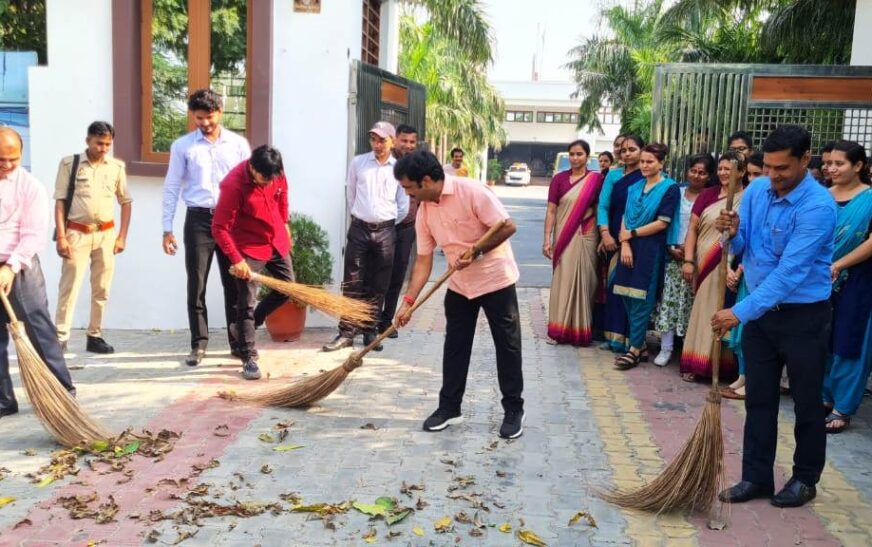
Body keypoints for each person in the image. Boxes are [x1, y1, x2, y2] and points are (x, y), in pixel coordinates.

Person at [715, 125, 837, 508]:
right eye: (767, 166)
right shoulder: (755, 191)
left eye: (782, 168)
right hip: (761, 317)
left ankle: (804, 479)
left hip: (804, 317)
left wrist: (738, 311)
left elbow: (790, 273)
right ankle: (756, 477)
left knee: (805, 401)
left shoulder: (818, 207)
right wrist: (731, 233)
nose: (773, 175)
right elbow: (742, 245)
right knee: (759, 400)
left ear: (805, 159)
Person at [393, 150, 525, 438]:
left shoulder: (472, 191)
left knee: (508, 346)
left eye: (408, 188)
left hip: (495, 280)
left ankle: (514, 409)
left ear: (426, 181)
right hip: (459, 285)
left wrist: (477, 250)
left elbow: (507, 226)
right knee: (455, 346)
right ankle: (449, 408)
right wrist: (408, 303)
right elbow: (424, 261)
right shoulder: (425, 211)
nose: (407, 194)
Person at [162, 89, 251, 366]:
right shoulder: (183, 146)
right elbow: (172, 186)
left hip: (232, 222)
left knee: (235, 284)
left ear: (220, 111)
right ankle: (198, 344)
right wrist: (167, 228)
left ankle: (238, 343)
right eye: (199, 118)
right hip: (198, 220)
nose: (205, 123)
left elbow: (249, 186)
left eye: (209, 117)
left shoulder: (238, 145)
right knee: (196, 284)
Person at [0, 127, 76, 418]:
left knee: (39, 330)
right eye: (0, 160)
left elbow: (33, 236)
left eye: (13, 159)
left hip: (20, 268)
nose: (6, 166)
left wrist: (10, 267)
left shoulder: (30, 187)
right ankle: (4, 400)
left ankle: (63, 396)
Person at [323, 121, 408, 352]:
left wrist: (385, 222)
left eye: (382, 140)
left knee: (378, 284)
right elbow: (350, 194)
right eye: (373, 139)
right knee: (352, 282)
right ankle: (346, 332)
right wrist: (363, 216)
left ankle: (370, 330)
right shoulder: (358, 163)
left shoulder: (398, 168)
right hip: (359, 229)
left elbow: (403, 205)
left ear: (391, 141)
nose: (377, 144)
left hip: (386, 231)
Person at [212, 146, 292, 381]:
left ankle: (243, 328)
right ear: (252, 168)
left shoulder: (275, 172)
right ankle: (247, 356)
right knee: (245, 303)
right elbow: (219, 228)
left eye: (273, 178)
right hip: (248, 246)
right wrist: (237, 259)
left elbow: (283, 194)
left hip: (275, 240)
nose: (269, 182)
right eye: (264, 178)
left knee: (287, 287)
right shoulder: (233, 185)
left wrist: (285, 222)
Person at [53, 122, 132, 354]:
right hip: (76, 233)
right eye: (99, 143)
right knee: (70, 286)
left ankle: (95, 335)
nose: (103, 148)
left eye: (107, 144)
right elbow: (59, 201)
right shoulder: (71, 164)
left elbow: (126, 202)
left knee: (102, 287)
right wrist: (61, 236)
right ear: (88, 140)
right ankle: (61, 337)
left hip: (106, 235)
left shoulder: (116, 167)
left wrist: (122, 237)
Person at [679, 151, 748, 382]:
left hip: (729, 264)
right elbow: (693, 229)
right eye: (720, 168)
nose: (722, 173)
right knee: (701, 311)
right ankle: (695, 361)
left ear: (742, 172)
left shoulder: (747, 198)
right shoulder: (708, 194)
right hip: (703, 262)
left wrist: (733, 268)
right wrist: (689, 260)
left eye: (728, 169)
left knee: (720, 311)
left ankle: (719, 366)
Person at [611, 143, 679, 370]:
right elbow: (626, 216)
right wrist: (625, 242)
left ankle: (633, 349)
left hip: (650, 249)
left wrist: (630, 234)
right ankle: (640, 346)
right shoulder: (635, 187)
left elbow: (662, 222)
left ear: (661, 163)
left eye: (650, 162)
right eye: (643, 161)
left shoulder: (669, 188)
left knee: (642, 298)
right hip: (628, 245)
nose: (645, 165)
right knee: (625, 295)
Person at [822, 140, 872, 433]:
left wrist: (839, 265)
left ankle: (843, 405)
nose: (832, 169)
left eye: (839, 164)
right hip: (818, 279)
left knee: (849, 341)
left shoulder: (869, 199)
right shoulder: (821, 197)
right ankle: (824, 395)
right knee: (822, 339)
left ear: (858, 166)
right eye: (829, 164)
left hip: (858, 279)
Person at [652, 154, 713, 366]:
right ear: (687, 171)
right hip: (673, 254)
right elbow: (664, 221)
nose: (697, 175)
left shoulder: (711, 198)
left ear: (709, 176)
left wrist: (693, 255)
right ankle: (666, 348)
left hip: (698, 258)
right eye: (693, 171)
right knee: (669, 302)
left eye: (702, 172)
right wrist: (670, 247)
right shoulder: (675, 192)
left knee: (690, 305)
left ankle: (689, 350)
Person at [543, 140, 604, 346]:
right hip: (564, 235)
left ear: (588, 156)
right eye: (572, 154)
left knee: (586, 281)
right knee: (563, 280)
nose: (575, 158)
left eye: (579, 154)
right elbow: (551, 210)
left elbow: (600, 209)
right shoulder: (559, 180)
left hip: (587, 234)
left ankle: (580, 331)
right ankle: (558, 330)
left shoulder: (596, 180)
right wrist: (546, 239)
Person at [722, 152, 767, 400]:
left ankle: (753, 380)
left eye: (758, 174)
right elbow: (739, 243)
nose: (753, 179)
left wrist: (740, 268)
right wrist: (730, 233)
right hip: (746, 275)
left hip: (764, 279)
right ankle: (742, 375)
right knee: (741, 334)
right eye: (749, 174)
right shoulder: (750, 198)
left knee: (756, 332)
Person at [596, 135, 645, 352]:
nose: (627, 154)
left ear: (642, 151)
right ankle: (614, 337)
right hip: (614, 241)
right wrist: (605, 234)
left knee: (636, 291)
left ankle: (635, 341)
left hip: (641, 240)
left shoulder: (650, 175)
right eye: (623, 150)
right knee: (615, 288)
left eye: (632, 149)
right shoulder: (614, 176)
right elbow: (603, 207)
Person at [379, 124, 419, 340]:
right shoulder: (386, 163)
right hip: (385, 228)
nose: (408, 145)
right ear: (395, 140)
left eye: (412, 142)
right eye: (404, 141)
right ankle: (371, 321)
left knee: (397, 276)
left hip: (407, 229)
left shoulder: (417, 164)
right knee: (379, 276)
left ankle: (386, 322)